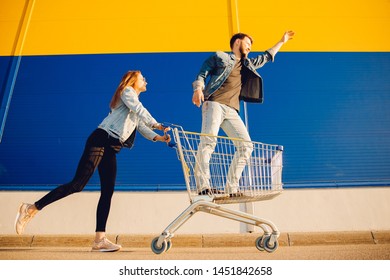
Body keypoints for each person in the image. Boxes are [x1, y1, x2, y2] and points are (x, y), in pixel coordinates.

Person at [14, 70, 171, 252]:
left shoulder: (133, 104)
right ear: (132, 80)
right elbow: (140, 111)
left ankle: (99, 240)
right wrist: (157, 124)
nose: (146, 81)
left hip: (111, 147)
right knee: (77, 184)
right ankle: (31, 208)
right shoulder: (127, 91)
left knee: (107, 191)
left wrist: (158, 137)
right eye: (143, 78)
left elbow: (141, 125)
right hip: (101, 140)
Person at [192, 31, 295, 196]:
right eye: (248, 43)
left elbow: (266, 56)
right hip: (215, 104)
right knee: (208, 142)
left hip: (232, 110)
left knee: (246, 146)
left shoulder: (248, 65)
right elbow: (202, 73)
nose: (250, 47)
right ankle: (203, 186)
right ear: (238, 42)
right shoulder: (221, 57)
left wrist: (281, 41)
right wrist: (198, 89)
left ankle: (231, 188)